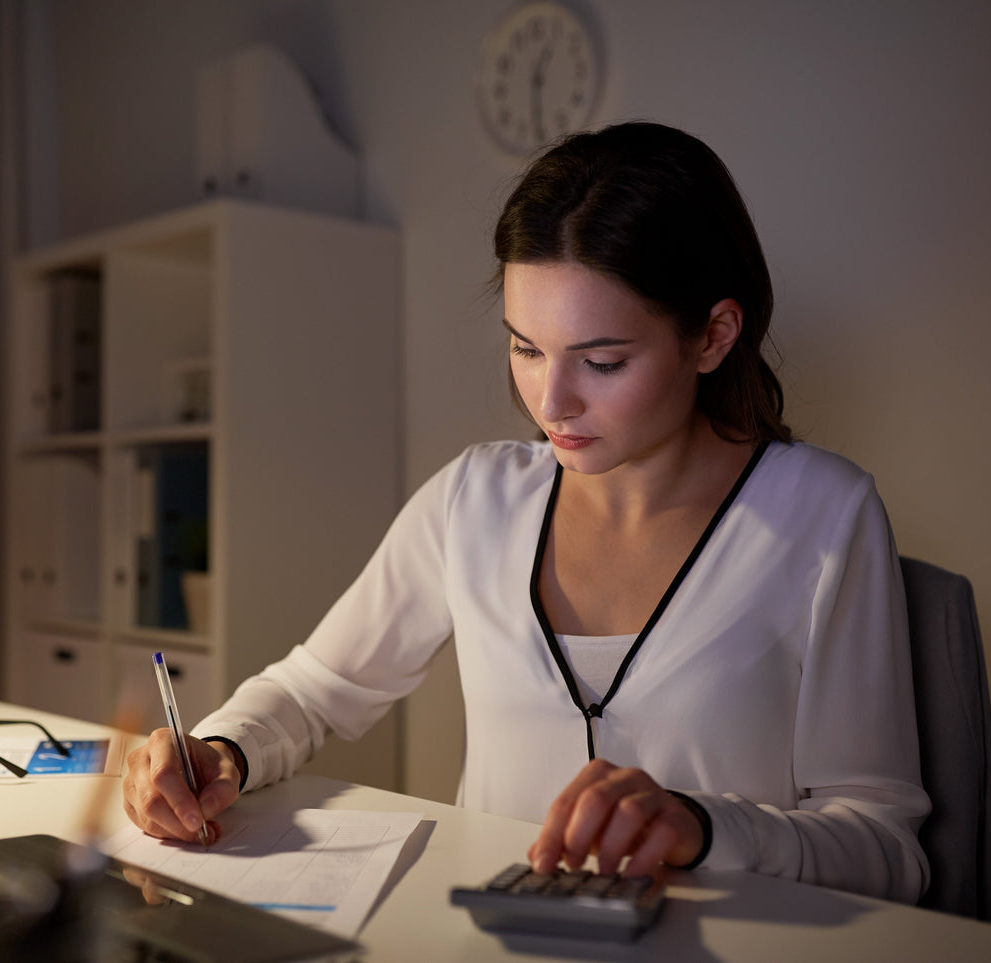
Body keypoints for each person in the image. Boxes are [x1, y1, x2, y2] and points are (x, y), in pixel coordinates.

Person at [122, 121, 930, 904]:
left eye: (602, 361)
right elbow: (311, 692)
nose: (550, 401)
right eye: (525, 347)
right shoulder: (473, 500)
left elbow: (884, 846)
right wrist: (219, 749)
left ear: (713, 335)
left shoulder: (824, 513)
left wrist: (702, 824)